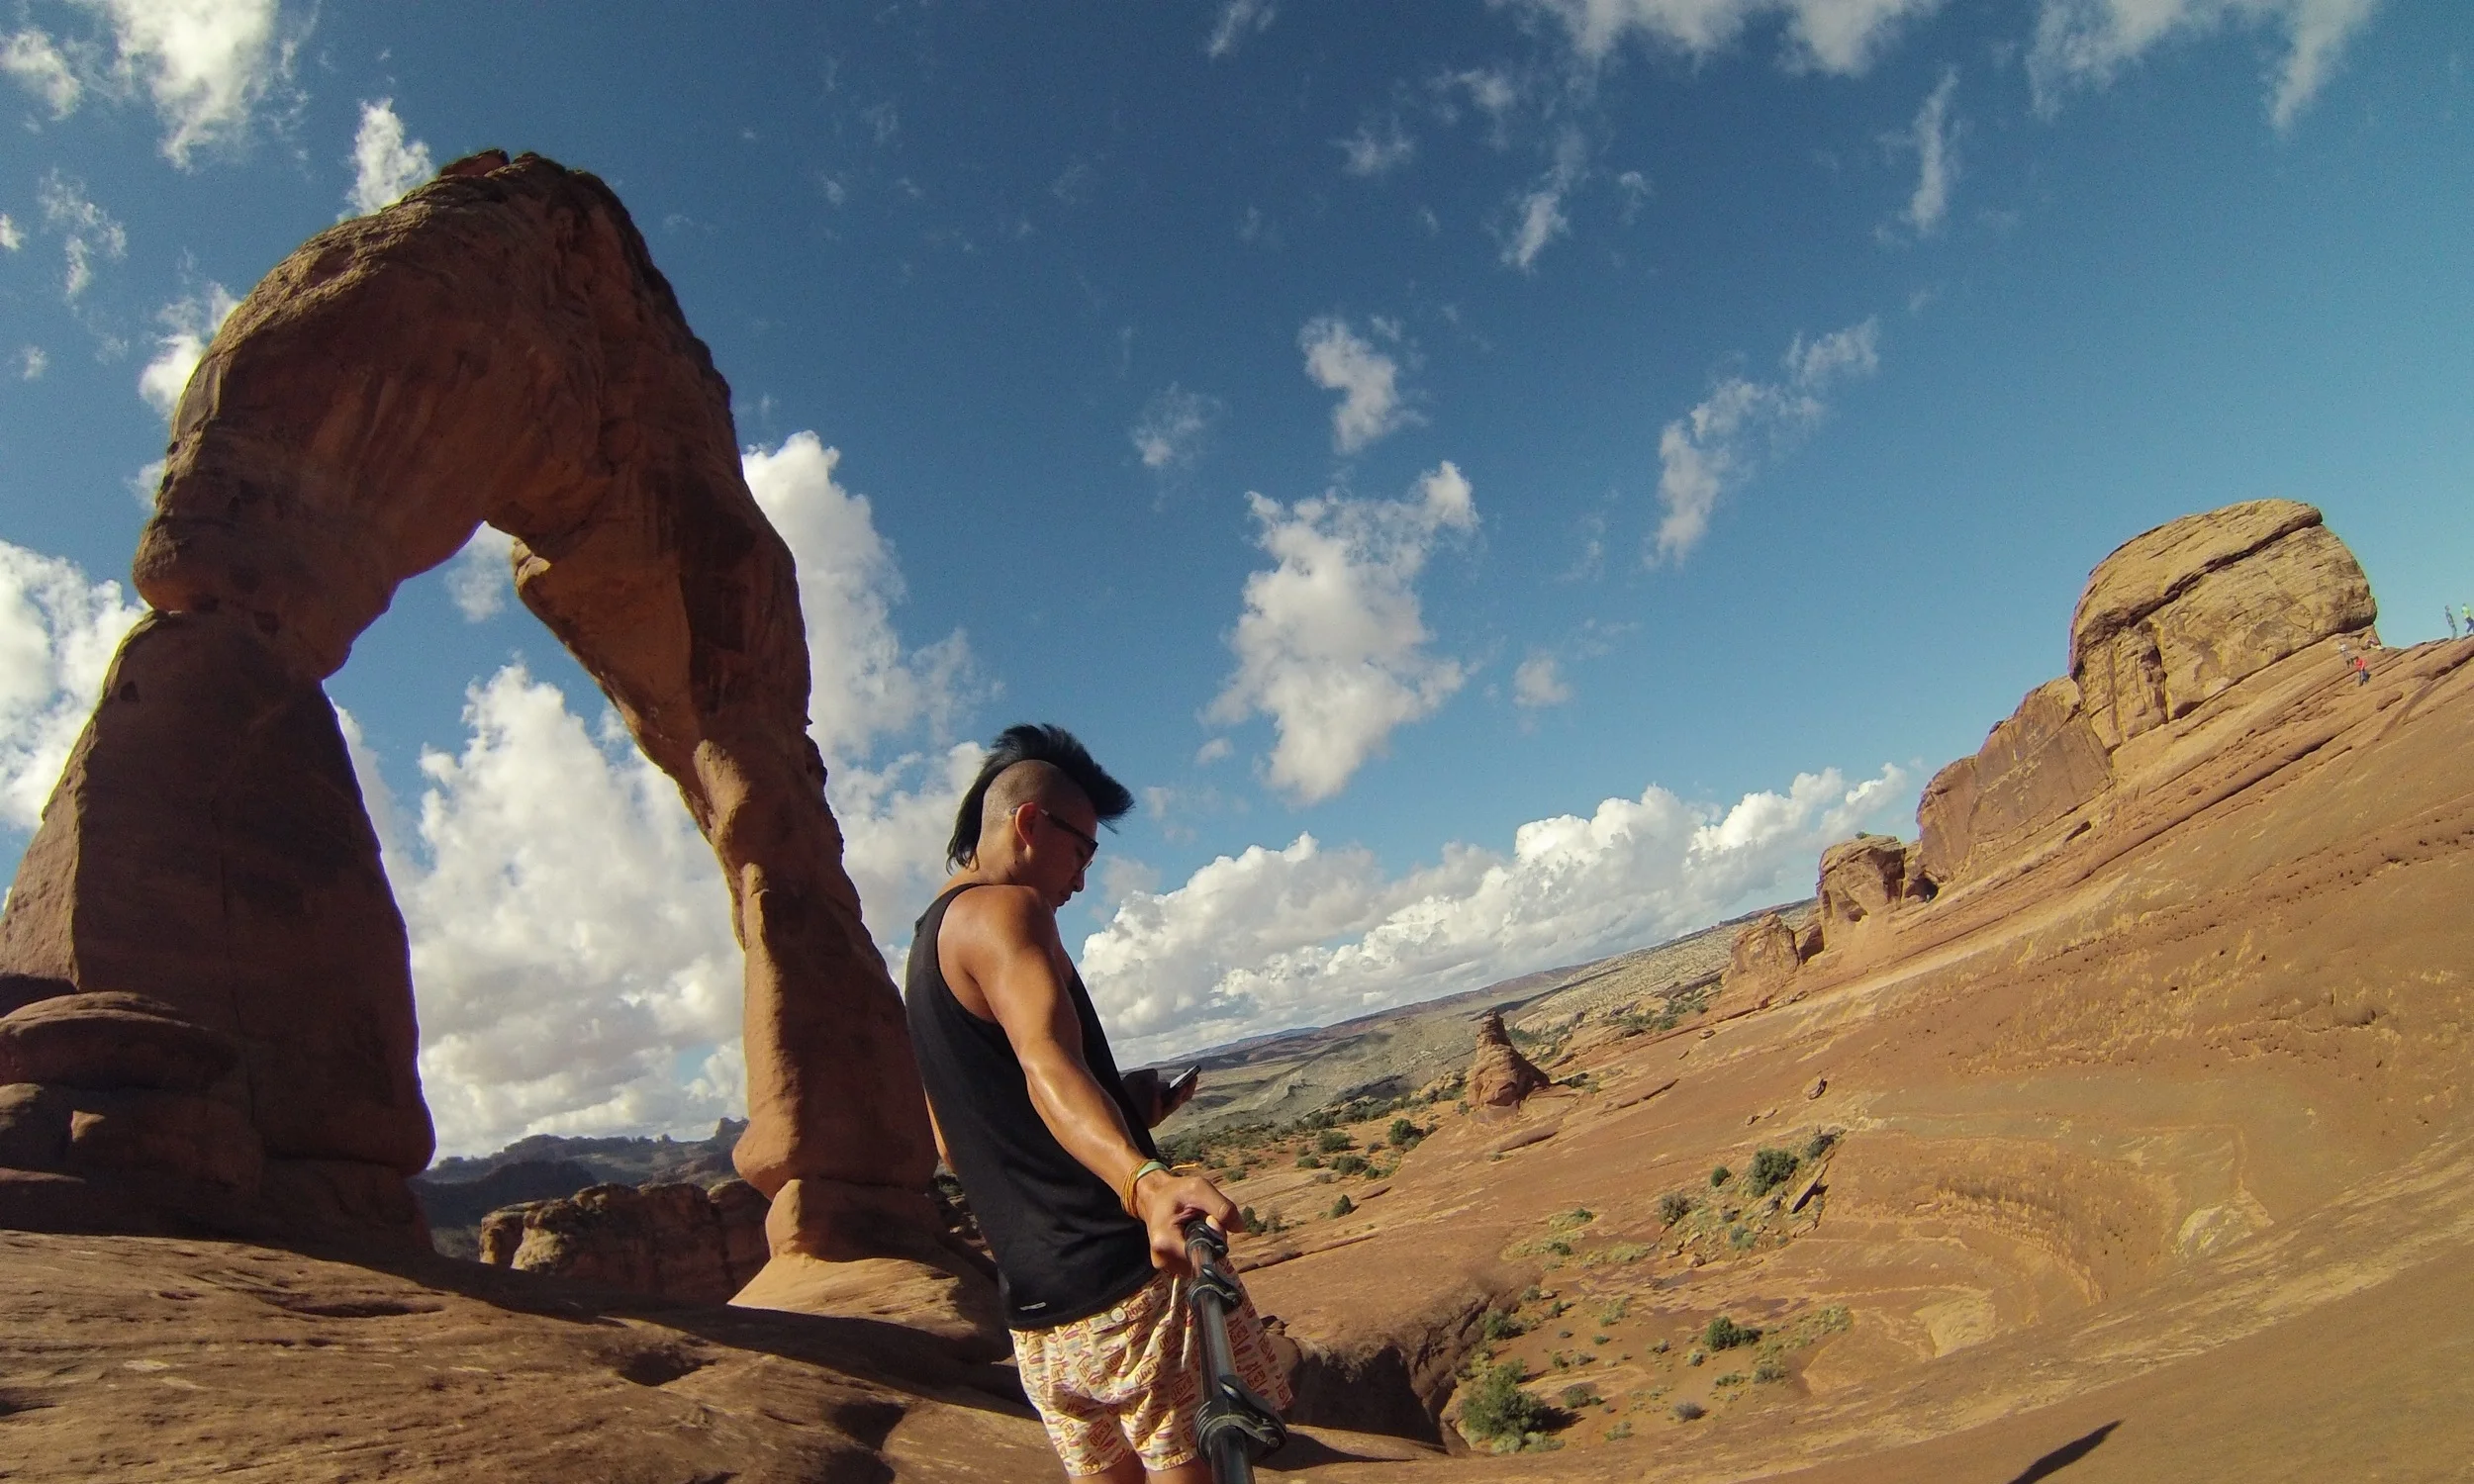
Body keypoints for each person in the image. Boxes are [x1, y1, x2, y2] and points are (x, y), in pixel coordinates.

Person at [905, 723, 1290, 1482]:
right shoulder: (1007, 913)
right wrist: (1142, 1181)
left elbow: (958, 1141)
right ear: (1028, 824)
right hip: (1123, 1287)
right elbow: (1048, 1063)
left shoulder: (925, 948)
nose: (1080, 880)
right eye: (1082, 850)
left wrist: (1122, 1107)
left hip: (1041, 1324)